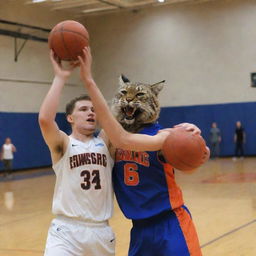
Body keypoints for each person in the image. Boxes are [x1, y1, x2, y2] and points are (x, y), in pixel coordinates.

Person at [78, 47, 209, 256]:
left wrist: (198, 145)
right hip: (139, 229)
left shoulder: (163, 136)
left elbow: (192, 162)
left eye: (138, 95)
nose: (129, 99)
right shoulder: (110, 139)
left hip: (171, 223)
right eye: (124, 94)